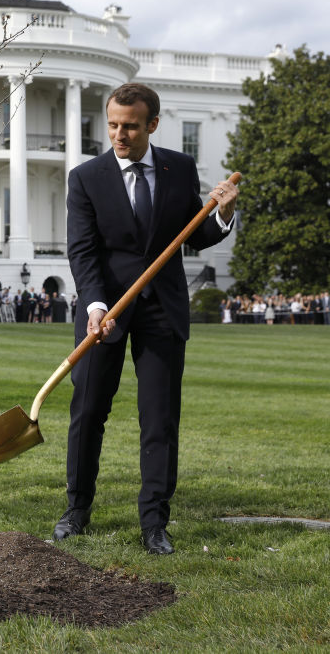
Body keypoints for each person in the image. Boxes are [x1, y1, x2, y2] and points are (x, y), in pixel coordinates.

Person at [57, 82, 238, 554]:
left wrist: (223, 214)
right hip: (105, 311)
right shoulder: (86, 177)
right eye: (113, 125)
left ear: (153, 124)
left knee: (159, 419)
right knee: (88, 412)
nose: (120, 134)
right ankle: (76, 510)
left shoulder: (179, 168)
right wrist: (96, 306)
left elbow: (193, 236)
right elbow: (82, 251)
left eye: (131, 126)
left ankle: (155, 522)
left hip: (162, 310)